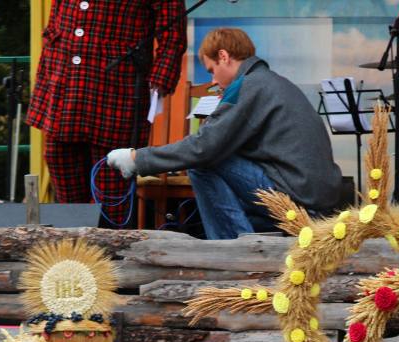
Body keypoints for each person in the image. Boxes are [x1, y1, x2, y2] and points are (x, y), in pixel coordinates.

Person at [107, 28, 343, 240]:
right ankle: (248, 236)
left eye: (212, 71)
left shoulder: (246, 86)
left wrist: (138, 158)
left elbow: (203, 147)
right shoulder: (271, 83)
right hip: (315, 198)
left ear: (223, 56)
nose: (213, 81)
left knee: (202, 163)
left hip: (298, 201)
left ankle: (231, 248)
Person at [26, 0, 187, 227]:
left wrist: (160, 81)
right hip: (64, 81)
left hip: (116, 88)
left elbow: (173, 35)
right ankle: (72, 246)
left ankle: (110, 251)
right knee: (58, 157)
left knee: (111, 178)